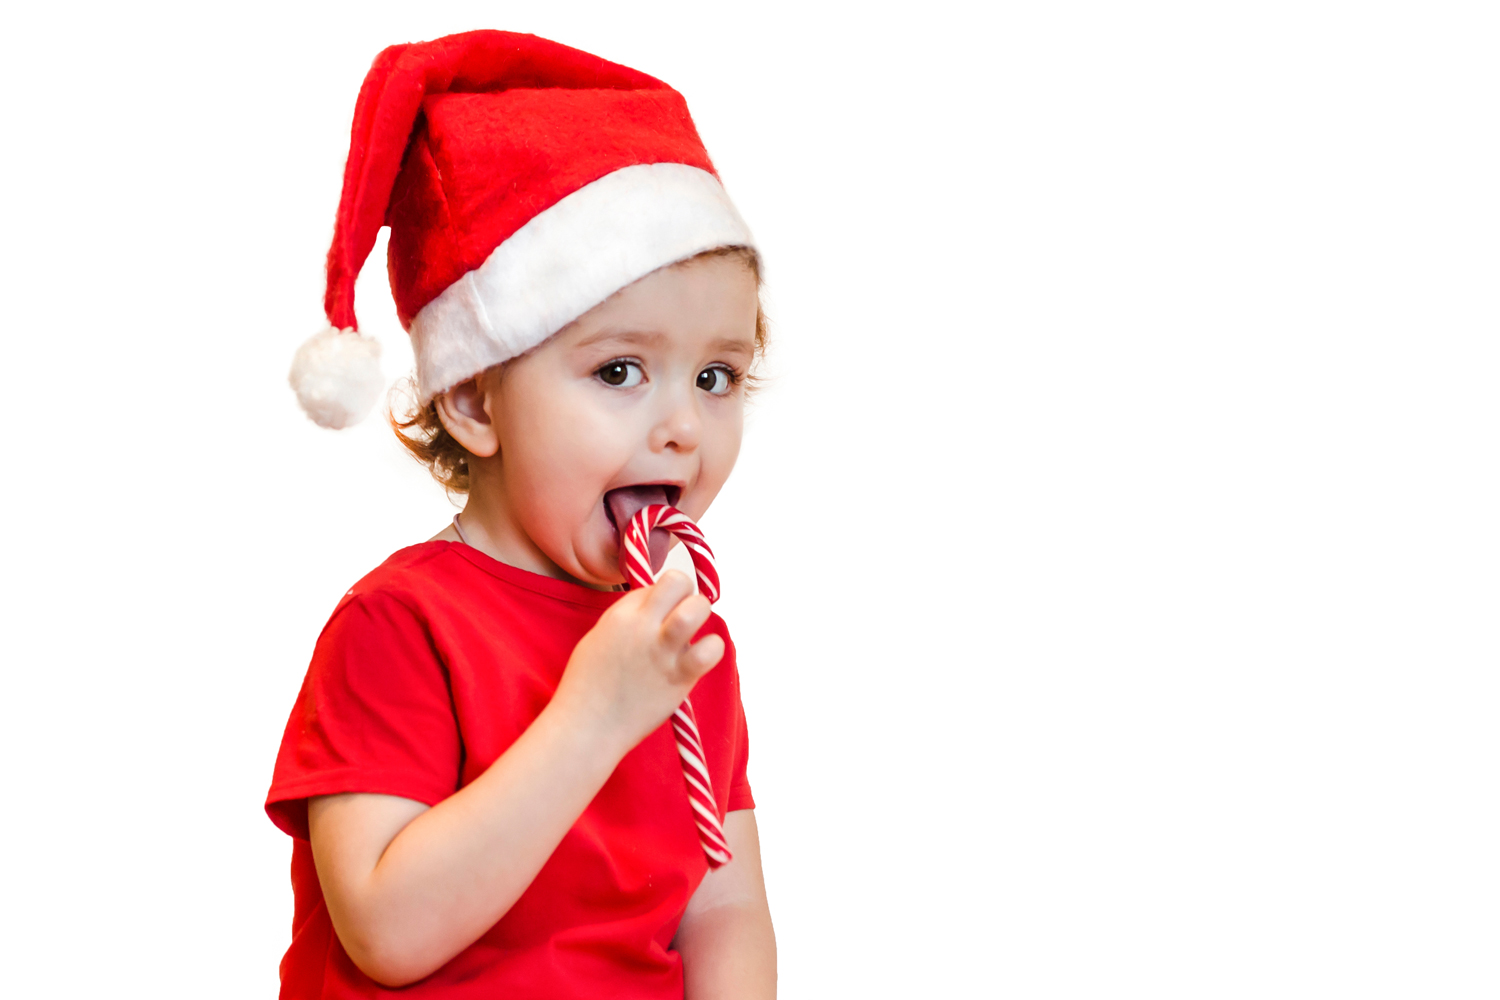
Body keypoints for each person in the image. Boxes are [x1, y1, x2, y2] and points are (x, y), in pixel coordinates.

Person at [266, 30, 776, 999]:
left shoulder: (684, 643)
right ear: (473, 399)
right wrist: (594, 713)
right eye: (619, 370)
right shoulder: (399, 626)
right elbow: (386, 927)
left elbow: (725, 910)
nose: (681, 424)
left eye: (717, 375)